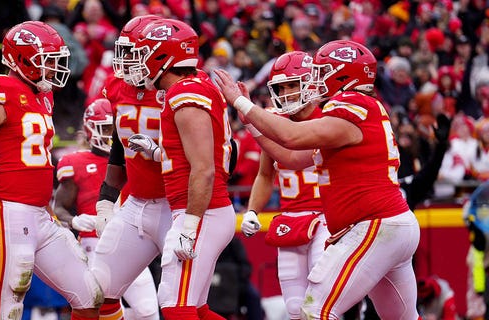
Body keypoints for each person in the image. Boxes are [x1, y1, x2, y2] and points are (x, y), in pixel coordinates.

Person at [214, 39, 421, 319]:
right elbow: (293, 158)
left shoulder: (350, 106)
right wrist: (251, 120)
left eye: (322, 71)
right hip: (391, 224)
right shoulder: (361, 107)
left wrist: (241, 102)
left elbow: (292, 136)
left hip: (373, 224)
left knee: (315, 309)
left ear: (343, 74)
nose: (316, 79)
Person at [0, 21, 102, 320]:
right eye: (45, 61)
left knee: (89, 296)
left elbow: (35, 161)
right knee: (6, 312)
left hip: (40, 214)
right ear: (20, 59)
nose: (52, 68)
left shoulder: (44, 95)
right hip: (7, 214)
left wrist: (46, 206)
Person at [127, 18, 236, 319]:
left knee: (176, 307)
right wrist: (157, 152)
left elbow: (204, 169)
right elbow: (195, 157)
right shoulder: (194, 86)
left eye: (145, 53)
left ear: (163, 56)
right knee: (196, 309)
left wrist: (190, 226)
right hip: (206, 210)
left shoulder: (185, 94)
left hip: (202, 211)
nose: (140, 62)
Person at [240, 51, 331, 320]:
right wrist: (253, 210)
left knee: (320, 304)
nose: (287, 92)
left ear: (311, 83)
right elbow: (265, 175)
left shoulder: (331, 119)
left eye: (293, 84)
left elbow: (293, 156)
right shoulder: (274, 121)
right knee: (294, 309)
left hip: (327, 219)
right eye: (282, 87)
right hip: (290, 220)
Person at [89, 14, 167, 320]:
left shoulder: (183, 90)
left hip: (179, 205)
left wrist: (160, 153)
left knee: (180, 305)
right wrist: (106, 201)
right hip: (137, 204)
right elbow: (119, 147)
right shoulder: (117, 87)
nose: (126, 62)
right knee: (97, 289)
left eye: (135, 54)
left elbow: (212, 157)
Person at [54, 97, 159, 319]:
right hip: (93, 241)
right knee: (100, 306)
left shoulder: (134, 158)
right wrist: (74, 221)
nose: (110, 134)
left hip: (130, 240)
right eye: (105, 128)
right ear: (89, 129)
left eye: (113, 128)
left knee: (147, 310)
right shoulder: (76, 162)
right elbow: (59, 207)